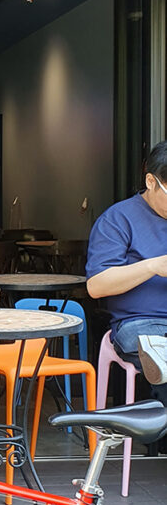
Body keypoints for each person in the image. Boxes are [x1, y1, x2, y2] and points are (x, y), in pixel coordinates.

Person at [87, 140, 167, 403]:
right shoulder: (118, 219)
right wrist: (152, 266)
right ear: (151, 181)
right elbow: (96, 285)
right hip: (141, 323)